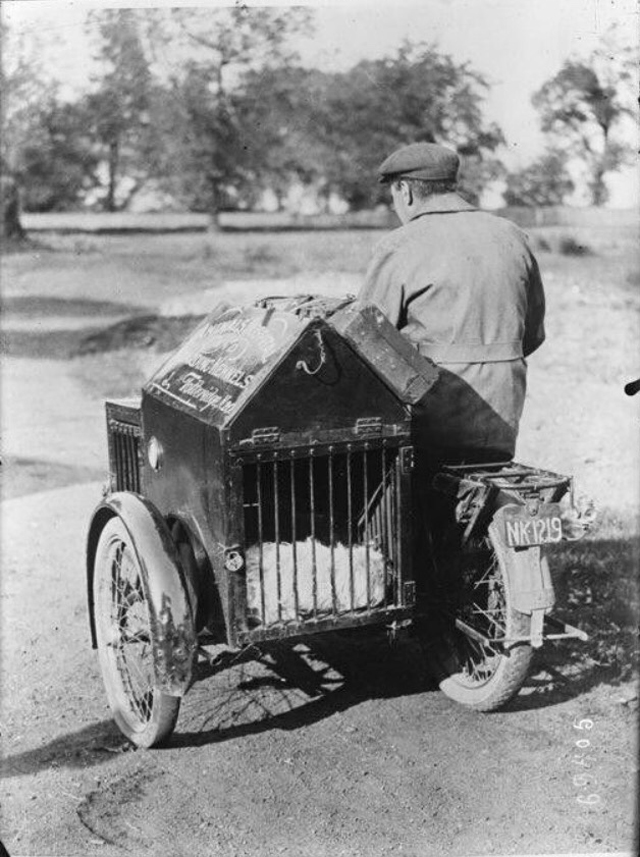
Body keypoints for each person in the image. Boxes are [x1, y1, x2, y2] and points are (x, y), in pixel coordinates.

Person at [358, 141, 545, 464]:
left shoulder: (399, 246)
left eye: (393, 195)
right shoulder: (512, 235)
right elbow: (533, 334)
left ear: (405, 191)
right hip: (504, 409)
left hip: (433, 416)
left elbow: (366, 343)